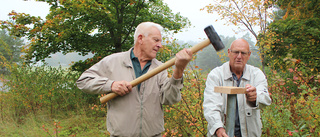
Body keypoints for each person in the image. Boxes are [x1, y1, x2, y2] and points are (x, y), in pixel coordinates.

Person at [76, 22, 193, 136]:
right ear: (140, 39)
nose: (160, 45)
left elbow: (169, 99)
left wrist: (179, 70)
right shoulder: (113, 61)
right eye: (156, 40)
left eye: (160, 41)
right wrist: (111, 85)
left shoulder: (160, 68)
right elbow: (83, 81)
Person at [203, 39, 272, 137]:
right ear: (229, 52)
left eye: (243, 53)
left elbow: (265, 98)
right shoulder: (216, 75)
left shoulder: (256, 74)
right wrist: (218, 128)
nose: (239, 57)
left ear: (249, 55)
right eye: (236, 52)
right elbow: (211, 105)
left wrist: (256, 97)